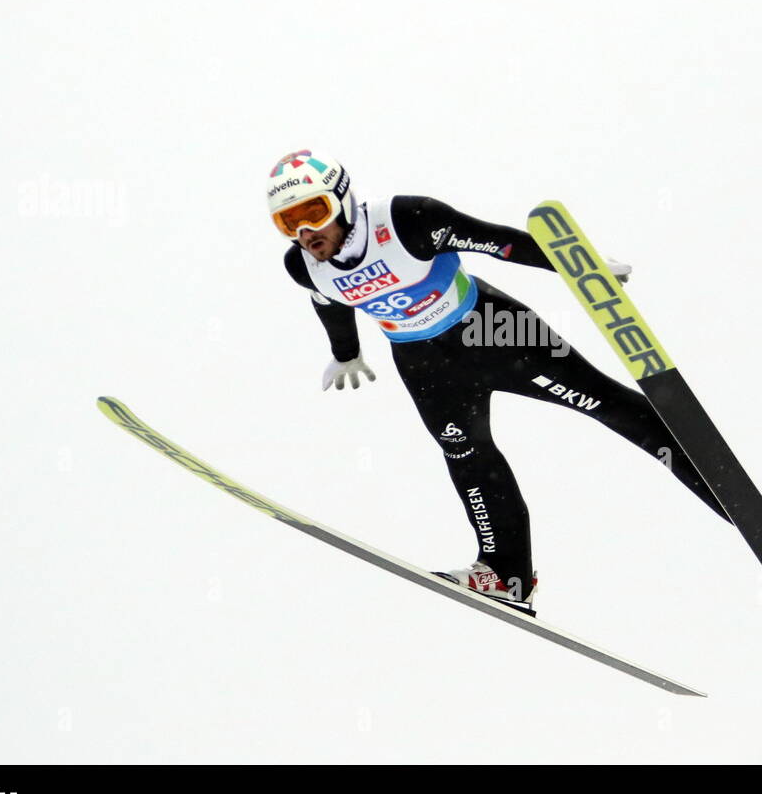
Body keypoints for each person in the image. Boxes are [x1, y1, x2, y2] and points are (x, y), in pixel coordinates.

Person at [270, 149, 728, 611]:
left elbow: (502, 244)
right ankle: (507, 574)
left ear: (343, 200)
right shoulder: (302, 266)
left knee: (602, 403)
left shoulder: (409, 220)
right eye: (289, 223)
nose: (306, 233)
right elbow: (327, 301)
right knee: (466, 454)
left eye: (314, 211)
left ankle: (721, 486)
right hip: (425, 366)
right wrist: (345, 353)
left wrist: (579, 266)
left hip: (494, 333)